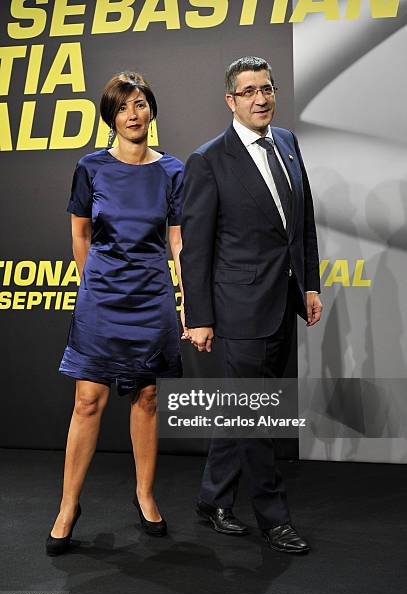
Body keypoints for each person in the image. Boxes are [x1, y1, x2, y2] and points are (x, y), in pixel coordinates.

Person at [180, 56, 322, 553]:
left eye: (267, 88)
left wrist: (309, 283)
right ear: (231, 101)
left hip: (283, 300)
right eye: (249, 92)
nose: (261, 98)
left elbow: (301, 222)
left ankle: (213, 497)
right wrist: (198, 317)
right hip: (238, 308)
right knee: (256, 416)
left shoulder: (286, 142)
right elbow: (195, 247)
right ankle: (273, 516)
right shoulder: (208, 159)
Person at [46, 71, 184, 555]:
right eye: (124, 107)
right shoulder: (90, 168)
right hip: (101, 295)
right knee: (87, 400)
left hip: (151, 294)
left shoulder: (172, 169)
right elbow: (80, 233)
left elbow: (176, 239)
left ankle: (145, 495)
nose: (133, 114)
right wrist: (91, 286)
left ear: (151, 110)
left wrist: (188, 298)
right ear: (111, 116)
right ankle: (68, 505)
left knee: (146, 397)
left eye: (141, 104)